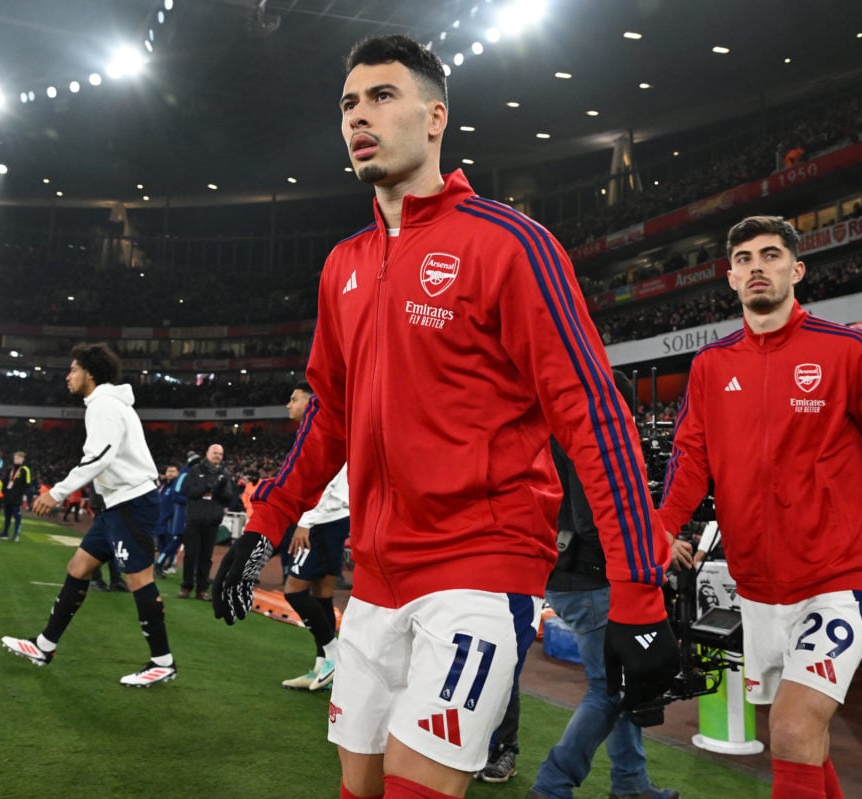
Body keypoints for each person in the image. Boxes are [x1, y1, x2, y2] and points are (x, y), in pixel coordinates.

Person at [213, 34, 677, 799]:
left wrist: (639, 585)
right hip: (377, 574)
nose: (359, 116)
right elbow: (331, 412)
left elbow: (592, 415)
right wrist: (267, 521)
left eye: (382, 96)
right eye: (349, 104)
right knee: (357, 787)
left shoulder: (511, 243)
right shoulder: (343, 265)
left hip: (480, 569)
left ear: (435, 117)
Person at [657, 215, 862, 799]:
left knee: (790, 727)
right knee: (804, 741)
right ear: (730, 277)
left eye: (772, 255)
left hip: (834, 578)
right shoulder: (711, 366)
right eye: (746, 258)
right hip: (754, 586)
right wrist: (657, 534)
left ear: (796, 269)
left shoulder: (849, 350)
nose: (759, 266)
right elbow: (688, 464)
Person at [524, 372, 688, 799]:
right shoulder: (594, 440)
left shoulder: (562, 433)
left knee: (626, 682)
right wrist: (642, 553)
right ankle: (553, 784)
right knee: (610, 690)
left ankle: (631, 783)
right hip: (592, 578)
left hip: (568, 572)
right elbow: (591, 521)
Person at [1, 342, 177, 686]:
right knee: (78, 567)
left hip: (132, 502)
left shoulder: (104, 405)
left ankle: (163, 661)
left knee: (138, 579)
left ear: (89, 373)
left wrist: (58, 492)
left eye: (73, 369)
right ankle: (44, 646)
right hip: (117, 505)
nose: (68, 376)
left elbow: (101, 456)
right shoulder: (104, 404)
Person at [275, 381, 348, 692]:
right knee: (322, 592)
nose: (288, 405)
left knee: (293, 590)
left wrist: (306, 521)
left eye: (294, 399)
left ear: (311, 399)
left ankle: (334, 656)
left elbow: (328, 478)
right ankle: (322, 667)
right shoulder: (324, 429)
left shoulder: (322, 430)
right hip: (336, 517)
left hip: (321, 519)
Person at [178, 443, 234, 600]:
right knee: (190, 554)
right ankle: (186, 586)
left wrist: (221, 489)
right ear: (207, 453)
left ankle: (202, 589)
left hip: (212, 520)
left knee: (206, 557)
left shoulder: (224, 474)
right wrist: (207, 486)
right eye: (215, 452)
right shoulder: (196, 470)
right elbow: (187, 491)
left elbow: (229, 497)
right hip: (195, 519)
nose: (217, 456)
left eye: (220, 454)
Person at [0, 450, 32, 541]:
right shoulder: (10, 469)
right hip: (8, 497)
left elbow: (28, 484)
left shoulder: (25, 470)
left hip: (17, 498)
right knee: (7, 516)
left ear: (22, 459)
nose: (15, 459)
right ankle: (5, 533)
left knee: (17, 517)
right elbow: (5, 482)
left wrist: (21, 494)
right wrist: (4, 492)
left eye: (17, 458)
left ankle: (15, 535)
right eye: (15, 458)